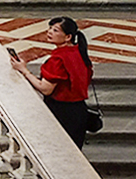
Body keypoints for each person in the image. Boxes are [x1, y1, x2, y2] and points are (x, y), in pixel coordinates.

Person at [10, 15, 94, 148]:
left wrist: (24, 71)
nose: (49, 32)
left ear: (68, 37)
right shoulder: (78, 52)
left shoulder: (58, 59)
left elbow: (45, 88)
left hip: (62, 112)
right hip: (79, 110)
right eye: (50, 29)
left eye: (55, 30)